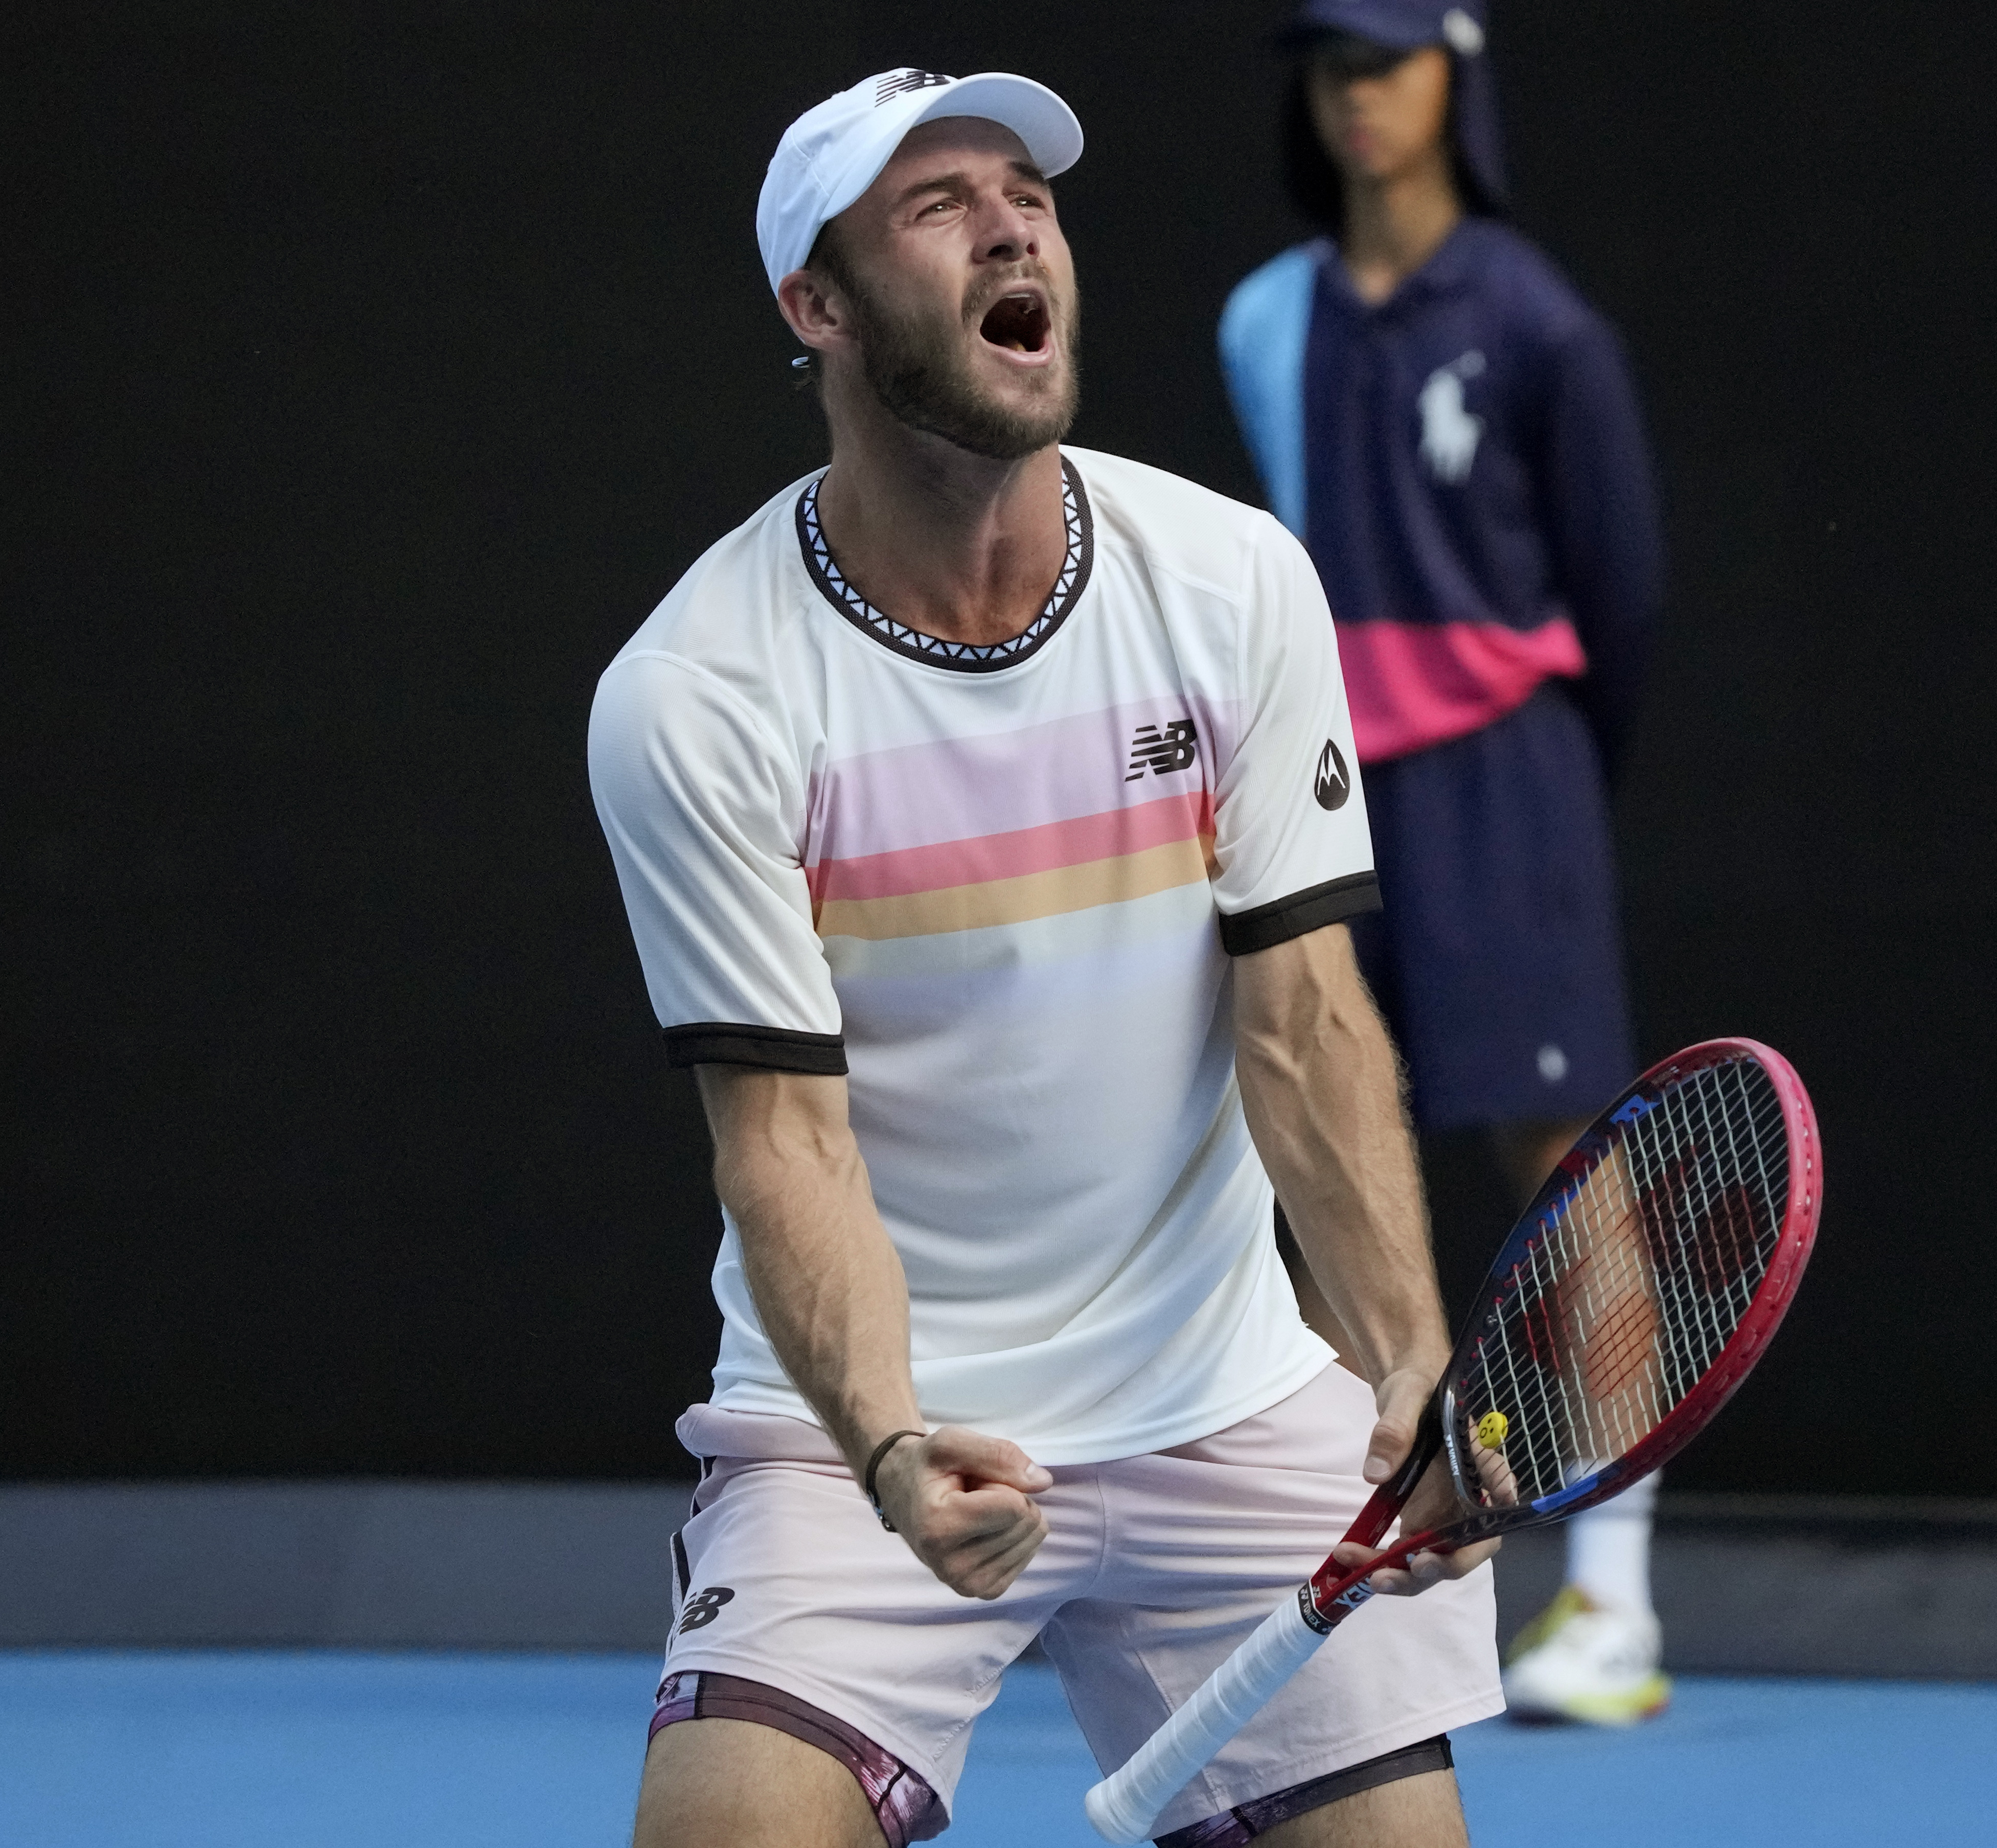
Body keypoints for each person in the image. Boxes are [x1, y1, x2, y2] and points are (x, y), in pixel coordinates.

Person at [588, 67, 1505, 1848]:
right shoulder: (697, 696)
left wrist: (1401, 1356)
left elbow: (1304, 1020)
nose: (1014, 226)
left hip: (1228, 1406)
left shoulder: (1232, 582)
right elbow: (783, 1137)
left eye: (1028, 192)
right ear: (818, 306)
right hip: (873, 1427)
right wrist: (886, 1449)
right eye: (938, 208)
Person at [1217, 2, 1672, 1726]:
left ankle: (1611, 1605)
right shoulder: (1266, 318)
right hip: (1331, 783)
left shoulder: (1545, 324)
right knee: (1323, 1144)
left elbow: (1619, 597)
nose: (1358, 98)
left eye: (1390, 63)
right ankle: (1336, 1585)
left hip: (1506, 777)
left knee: (1565, 1166)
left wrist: (1540, 783)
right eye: (1333, 69)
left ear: (1453, 82)